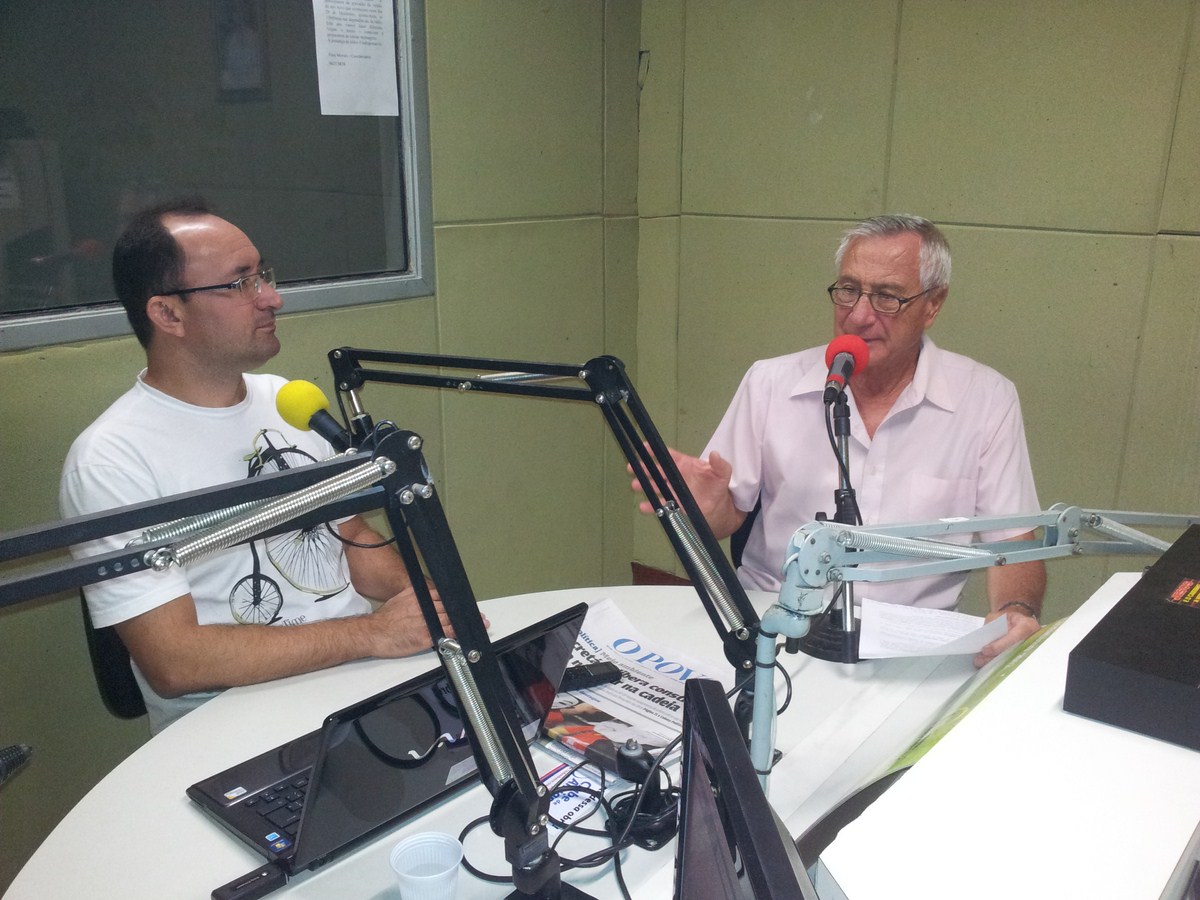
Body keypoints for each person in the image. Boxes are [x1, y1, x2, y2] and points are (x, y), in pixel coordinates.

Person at [60, 198, 452, 732]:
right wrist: (373, 634)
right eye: (240, 283)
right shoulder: (110, 460)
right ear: (168, 314)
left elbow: (351, 536)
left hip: (359, 685)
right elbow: (174, 663)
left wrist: (429, 603)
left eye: (262, 275)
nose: (272, 298)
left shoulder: (288, 403)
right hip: (233, 726)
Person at [636, 214, 1046, 667]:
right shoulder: (770, 383)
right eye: (849, 290)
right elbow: (723, 519)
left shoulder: (985, 400)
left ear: (933, 304)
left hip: (907, 649)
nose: (859, 315)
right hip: (774, 628)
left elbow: (1014, 544)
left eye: (887, 297)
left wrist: (1016, 610)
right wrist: (707, 513)